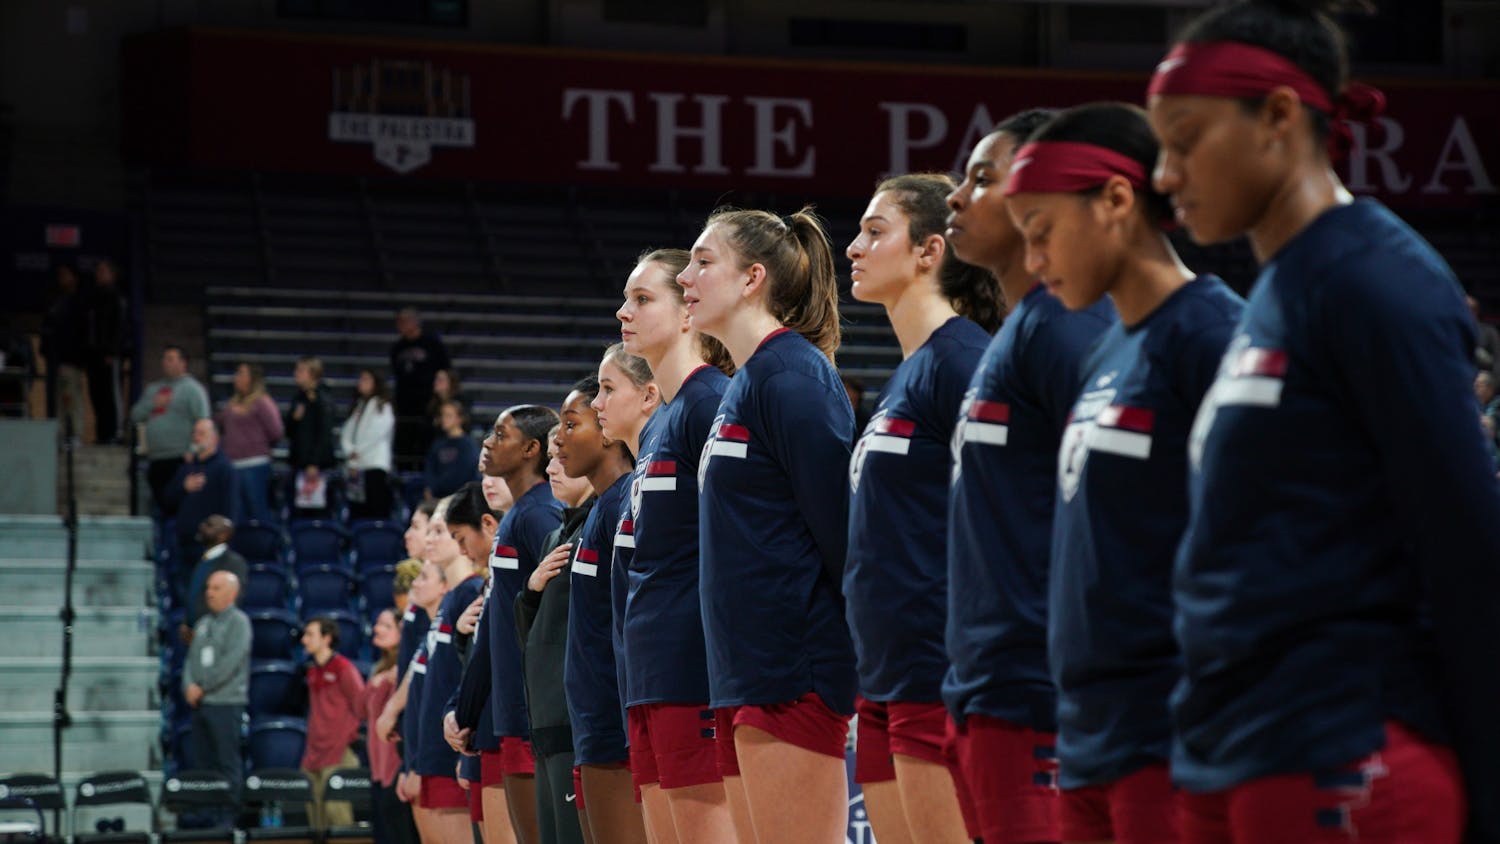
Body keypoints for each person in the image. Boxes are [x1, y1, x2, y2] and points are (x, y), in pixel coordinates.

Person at [1146, 2, 1500, 840]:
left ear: (1277, 117)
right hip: (1240, 742)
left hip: (1345, 742)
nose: (1164, 173)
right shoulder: (1282, 285)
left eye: (1186, 139)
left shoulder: (1376, 281)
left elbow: (1467, 552)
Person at [1002, 102, 1246, 843]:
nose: (1033, 260)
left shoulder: (1214, 336)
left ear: (1114, 199)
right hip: (1085, 734)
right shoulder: (1108, 350)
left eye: (1042, 231)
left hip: (1170, 736)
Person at [942, 109, 1117, 844]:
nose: (957, 196)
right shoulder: (1020, 330)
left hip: (1038, 691)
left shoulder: (1072, 327)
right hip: (987, 687)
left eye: (983, 178)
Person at [678, 205, 854, 844]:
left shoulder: (793, 376)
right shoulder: (746, 381)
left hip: (792, 672)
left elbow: (842, 533)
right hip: (742, 671)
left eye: (703, 262)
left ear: (753, 278)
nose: (685, 278)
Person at [841, 173, 995, 844]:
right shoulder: (906, 374)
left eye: (875, 232)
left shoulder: (966, 362)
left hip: (938, 670)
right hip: (883, 672)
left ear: (930, 251)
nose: (854, 247)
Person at [614, 248, 739, 843]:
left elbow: (734, 542)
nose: (624, 312)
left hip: (694, 673)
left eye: (642, 299)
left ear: (688, 311)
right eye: (626, 299)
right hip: (651, 674)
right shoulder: (662, 419)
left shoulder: (711, 401)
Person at [449, 405, 563, 844]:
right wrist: (465, 710)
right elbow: (495, 630)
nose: (487, 442)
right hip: (511, 711)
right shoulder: (520, 514)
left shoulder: (540, 514)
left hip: (531, 711)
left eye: (500, 435)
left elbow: (554, 614)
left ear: (531, 449)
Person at [562, 355, 648, 844]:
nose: (558, 439)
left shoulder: (624, 501)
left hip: (615, 728)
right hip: (591, 726)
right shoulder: (600, 508)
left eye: (571, 424)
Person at [512, 421, 594, 844]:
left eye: (561, 458)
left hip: (575, 725)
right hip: (544, 725)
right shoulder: (553, 537)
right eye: (549, 459)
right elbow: (532, 638)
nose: (551, 469)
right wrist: (530, 590)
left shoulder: (599, 522)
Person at [443, 483, 520, 844]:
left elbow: (497, 654)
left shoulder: (506, 569)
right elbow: (474, 662)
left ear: (488, 525)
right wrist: (455, 712)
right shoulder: (484, 587)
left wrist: (461, 716)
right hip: (481, 731)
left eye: (461, 539)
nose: (461, 551)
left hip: (505, 727)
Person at [410, 496, 488, 843]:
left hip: (453, 750)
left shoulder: (470, 591)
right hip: (437, 745)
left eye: (439, 531)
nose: (430, 539)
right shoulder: (453, 597)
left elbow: (471, 673)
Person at [182, 571, 251, 828]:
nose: (209, 592)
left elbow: (230, 664)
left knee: (226, 762)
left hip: (226, 704)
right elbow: (190, 661)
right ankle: (206, 815)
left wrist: (202, 687)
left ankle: (228, 817)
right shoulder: (203, 623)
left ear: (232, 593)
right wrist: (188, 685)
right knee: (203, 763)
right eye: (208, 587)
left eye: (216, 588)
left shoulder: (239, 623)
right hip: (201, 705)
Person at [300, 616, 367, 831]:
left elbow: (362, 706)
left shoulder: (343, 668)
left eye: (310, 634)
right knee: (315, 817)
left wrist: (349, 735)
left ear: (326, 638)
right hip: (313, 752)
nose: (304, 640)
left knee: (338, 816)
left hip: (339, 751)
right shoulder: (310, 671)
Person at [163, 419, 239, 602]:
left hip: (210, 548)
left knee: (206, 599)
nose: (196, 437)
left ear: (215, 438)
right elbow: (166, 501)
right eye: (194, 433)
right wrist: (183, 487)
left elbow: (231, 511)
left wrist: (221, 541)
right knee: (185, 598)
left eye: (202, 433)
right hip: (184, 545)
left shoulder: (224, 469)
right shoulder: (187, 468)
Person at [131, 345, 210, 512]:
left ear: (183, 362)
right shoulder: (153, 389)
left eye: (170, 359)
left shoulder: (193, 389)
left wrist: (194, 449)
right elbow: (135, 415)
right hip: (155, 458)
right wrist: (153, 404)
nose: (165, 363)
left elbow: (203, 422)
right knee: (158, 506)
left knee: (177, 504)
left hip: (180, 459)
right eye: (164, 359)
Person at [365, 607, 420, 844]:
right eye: (378, 623)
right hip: (378, 763)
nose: (377, 629)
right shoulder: (379, 667)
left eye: (386, 625)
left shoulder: (404, 669)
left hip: (395, 762)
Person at [216, 362, 284, 524]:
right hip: (232, 465)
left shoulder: (262, 402)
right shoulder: (231, 404)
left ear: (252, 378)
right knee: (236, 514)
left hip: (255, 465)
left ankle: (264, 539)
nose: (237, 377)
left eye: (241, 373)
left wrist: (257, 445)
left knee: (257, 511)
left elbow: (276, 431)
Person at [391, 308, 452, 466]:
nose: (399, 325)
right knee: (404, 445)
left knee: (427, 443)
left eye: (403, 321)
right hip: (405, 405)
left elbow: (445, 370)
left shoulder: (432, 344)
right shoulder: (397, 347)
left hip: (428, 403)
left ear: (415, 322)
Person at [181, 515, 249, 640]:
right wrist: (187, 622)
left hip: (215, 636)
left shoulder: (234, 562)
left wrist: (205, 629)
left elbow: (232, 600)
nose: (202, 527)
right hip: (195, 633)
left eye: (209, 525)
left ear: (223, 535)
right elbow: (194, 594)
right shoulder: (203, 560)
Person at [85, 259, 131, 444]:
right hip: (94, 356)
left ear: (113, 274)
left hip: (110, 355)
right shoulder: (93, 298)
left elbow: (120, 327)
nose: (99, 274)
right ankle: (102, 434)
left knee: (111, 394)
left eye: (103, 271)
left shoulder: (117, 298)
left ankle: (116, 433)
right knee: (96, 395)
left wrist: (113, 351)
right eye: (98, 271)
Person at [40, 264, 88, 439]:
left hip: (71, 360)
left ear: (75, 278)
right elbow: (48, 328)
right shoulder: (55, 300)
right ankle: (58, 435)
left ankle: (76, 434)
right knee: (56, 399)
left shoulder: (79, 302)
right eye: (60, 275)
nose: (62, 278)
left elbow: (80, 334)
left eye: (66, 274)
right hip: (54, 359)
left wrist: (76, 359)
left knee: (72, 397)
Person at [285, 356, 336, 517]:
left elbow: (324, 433)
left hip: (316, 467)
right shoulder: (298, 398)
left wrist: (314, 462)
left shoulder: (323, 399)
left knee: (317, 511)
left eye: (301, 370)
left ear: (313, 374)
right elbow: (288, 432)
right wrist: (294, 419)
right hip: (298, 463)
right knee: (299, 511)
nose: (296, 374)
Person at [343, 367, 397, 521]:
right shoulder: (359, 406)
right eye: (361, 379)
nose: (361, 383)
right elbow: (346, 433)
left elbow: (376, 434)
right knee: (358, 512)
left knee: (375, 511)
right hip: (357, 468)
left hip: (374, 466)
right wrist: (350, 452)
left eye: (366, 379)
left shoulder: (383, 406)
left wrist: (357, 452)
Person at [426, 400, 480, 500]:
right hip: (438, 496)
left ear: (459, 419)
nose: (444, 419)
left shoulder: (467, 446)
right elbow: (430, 469)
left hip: (458, 497)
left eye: (448, 416)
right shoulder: (438, 444)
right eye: (442, 415)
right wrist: (430, 488)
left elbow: (464, 474)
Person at [427, 369, 470, 433]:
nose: (435, 382)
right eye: (435, 379)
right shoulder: (433, 403)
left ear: (451, 383)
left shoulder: (461, 401)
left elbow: (465, 424)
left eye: (440, 380)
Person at [1469, 295, 1500, 380]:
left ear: (1474, 312)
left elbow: (1498, 360)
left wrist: (1493, 383)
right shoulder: (1454, 333)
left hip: (1484, 378)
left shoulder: (1489, 332)